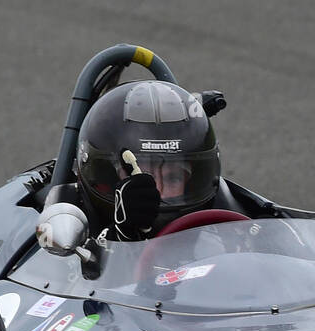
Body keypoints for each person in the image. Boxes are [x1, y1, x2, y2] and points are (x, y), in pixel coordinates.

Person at [75, 80, 222, 241]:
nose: (156, 192)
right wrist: (120, 236)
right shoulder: (67, 228)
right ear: (109, 178)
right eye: (144, 176)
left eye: (173, 178)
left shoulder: (219, 234)